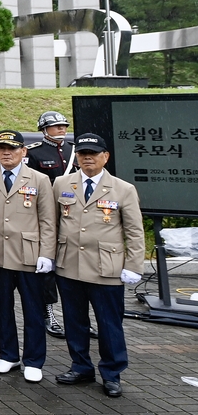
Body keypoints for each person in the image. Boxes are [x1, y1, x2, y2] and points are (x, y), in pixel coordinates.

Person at [52, 133, 144, 398]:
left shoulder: (122, 189)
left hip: (107, 268)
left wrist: (134, 265)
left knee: (108, 324)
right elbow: (53, 223)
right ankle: (80, 366)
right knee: (74, 321)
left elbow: (135, 232)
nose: (87, 158)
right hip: (69, 265)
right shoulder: (62, 183)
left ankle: (112, 373)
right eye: (82, 153)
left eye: (93, 153)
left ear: (105, 157)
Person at [0, 130, 55, 382]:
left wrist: (47, 253)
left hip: (29, 255)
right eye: (1, 148)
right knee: (2, 307)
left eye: (12, 148)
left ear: (23, 152)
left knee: (33, 309)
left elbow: (48, 220)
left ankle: (34, 360)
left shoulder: (39, 179)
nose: (6, 153)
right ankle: (8, 355)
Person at [25, 110, 75, 339]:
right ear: (44, 130)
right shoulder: (36, 153)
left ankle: (77, 318)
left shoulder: (74, 150)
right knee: (47, 267)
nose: (62, 129)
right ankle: (49, 313)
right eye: (56, 126)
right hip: (46, 214)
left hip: (72, 215)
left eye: (63, 126)